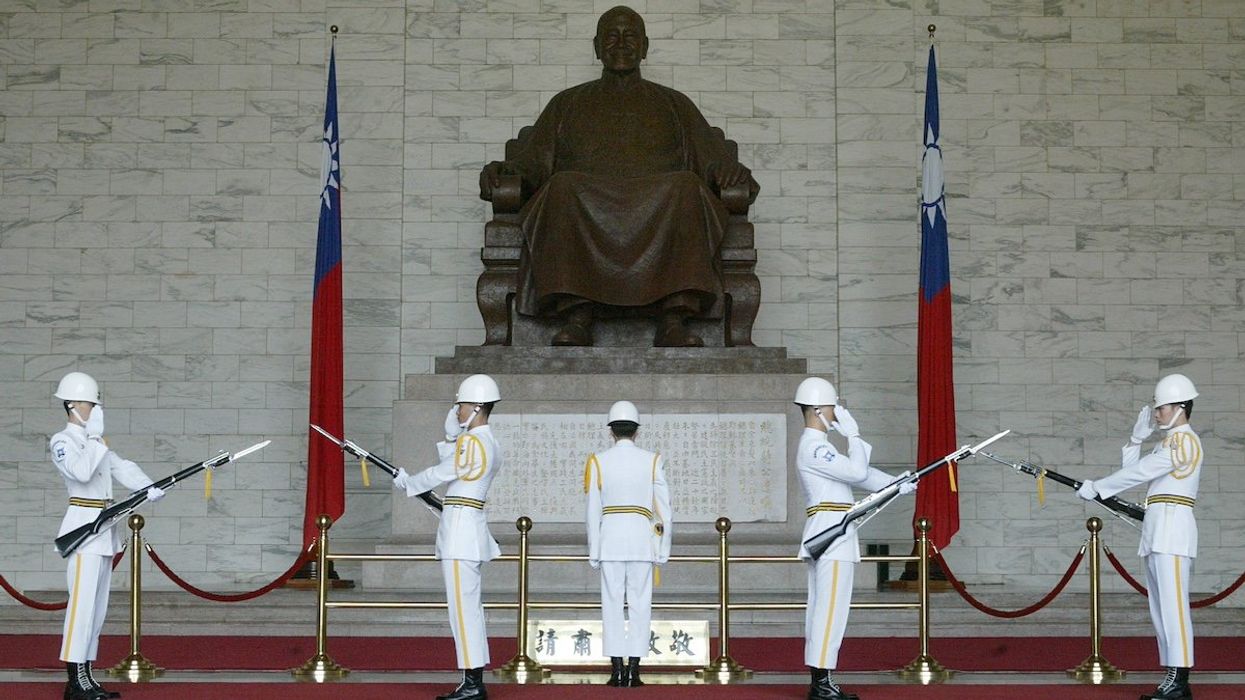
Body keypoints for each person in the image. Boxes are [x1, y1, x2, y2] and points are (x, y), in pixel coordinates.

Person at [479, 5, 758, 347]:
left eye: (631, 36)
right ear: (597, 47)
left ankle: (673, 318)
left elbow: (711, 159)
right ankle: (577, 313)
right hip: (584, 201)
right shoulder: (566, 104)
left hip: (661, 202)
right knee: (562, 186)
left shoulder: (674, 104)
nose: (621, 43)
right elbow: (534, 164)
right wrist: (504, 171)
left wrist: (726, 169)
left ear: (645, 47)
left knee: (687, 186)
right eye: (612, 36)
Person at [1077, 373, 1202, 700]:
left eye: (1161, 407)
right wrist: (1134, 441)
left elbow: (1141, 473)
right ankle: (1172, 676)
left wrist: (1099, 488)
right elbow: (1137, 469)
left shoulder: (1185, 441)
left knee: (1174, 607)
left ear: (1180, 408)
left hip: (1173, 531)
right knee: (1161, 608)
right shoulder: (1169, 442)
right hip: (1159, 527)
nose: (1156, 413)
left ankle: (1180, 679)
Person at [793, 377, 915, 700]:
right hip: (831, 539)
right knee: (829, 610)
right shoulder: (815, 447)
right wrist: (855, 434)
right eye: (833, 407)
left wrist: (896, 482)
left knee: (827, 609)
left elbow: (858, 473)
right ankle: (821, 684)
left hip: (832, 534)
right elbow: (858, 473)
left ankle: (822, 679)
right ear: (818, 409)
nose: (837, 413)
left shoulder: (820, 447)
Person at [51, 371, 165, 700]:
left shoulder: (95, 443)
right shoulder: (63, 441)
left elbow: (121, 467)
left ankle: (87, 677)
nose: (94, 410)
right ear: (72, 405)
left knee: (97, 610)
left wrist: (149, 486)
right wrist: (94, 439)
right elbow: (82, 471)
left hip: (103, 530)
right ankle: (74, 682)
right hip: (82, 531)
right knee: (81, 608)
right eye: (90, 404)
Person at [393, 374, 503, 700]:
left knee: (463, 609)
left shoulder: (474, 442)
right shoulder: (488, 442)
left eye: (461, 405)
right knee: (469, 608)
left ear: (477, 407)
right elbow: (458, 476)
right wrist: (451, 436)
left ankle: (472, 684)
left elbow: (446, 472)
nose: (456, 410)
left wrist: (411, 482)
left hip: (461, 534)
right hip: (465, 524)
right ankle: (472, 679)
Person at [583, 401, 673, 687]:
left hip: (610, 538)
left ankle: (616, 670)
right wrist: (662, 548)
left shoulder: (598, 460)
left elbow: (592, 511)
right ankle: (634, 669)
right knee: (640, 602)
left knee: (610, 603)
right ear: (636, 432)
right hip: (640, 540)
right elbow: (664, 509)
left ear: (612, 431)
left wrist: (594, 550)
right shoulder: (652, 460)